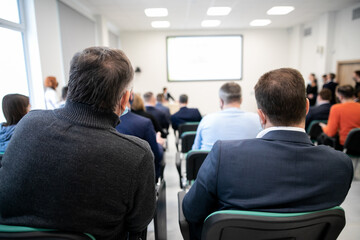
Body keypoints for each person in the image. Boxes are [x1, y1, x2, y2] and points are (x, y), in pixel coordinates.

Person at [0, 47, 156, 240]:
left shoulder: (28, 124)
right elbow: (139, 223)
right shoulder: (136, 154)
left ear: (71, 87)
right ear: (125, 99)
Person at [183, 68, 353, 240]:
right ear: (307, 107)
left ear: (261, 116)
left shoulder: (224, 155)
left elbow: (191, 211)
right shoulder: (341, 165)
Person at [192, 82, 261, 150]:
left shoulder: (206, 120)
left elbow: (195, 151)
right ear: (241, 100)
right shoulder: (257, 120)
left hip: (213, 161)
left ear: (221, 101)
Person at [116, 99, 164, 181]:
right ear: (129, 95)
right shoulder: (144, 123)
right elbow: (156, 155)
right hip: (139, 182)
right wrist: (159, 144)